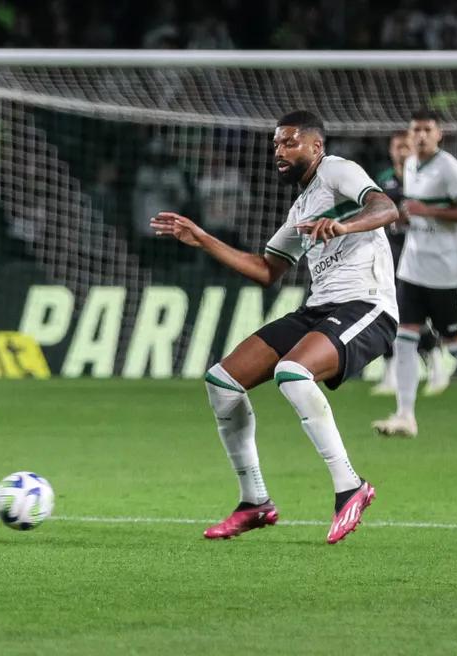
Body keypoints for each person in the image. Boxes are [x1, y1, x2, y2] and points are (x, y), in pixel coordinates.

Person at [150, 110, 399, 544]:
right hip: (320, 308)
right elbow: (267, 269)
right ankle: (255, 502)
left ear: (316, 147)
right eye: (276, 145)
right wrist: (203, 238)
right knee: (222, 381)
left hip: (367, 304)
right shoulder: (301, 207)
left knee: (293, 373)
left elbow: (386, 207)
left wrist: (343, 225)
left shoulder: (338, 171)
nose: (279, 152)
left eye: (290, 143)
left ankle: (350, 487)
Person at [372, 109, 457, 440]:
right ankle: (405, 415)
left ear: (439, 133)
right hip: (413, 268)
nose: (421, 135)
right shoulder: (412, 165)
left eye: (427, 129)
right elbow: (417, 213)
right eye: (416, 129)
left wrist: (427, 211)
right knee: (403, 339)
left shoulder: (450, 169)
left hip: (446, 272)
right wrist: (405, 219)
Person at [371, 130, 449, 397]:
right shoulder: (383, 180)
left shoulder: (427, 178)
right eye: (397, 147)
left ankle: (436, 366)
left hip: (422, 251)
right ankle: (391, 373)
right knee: (389, 310)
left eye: (405, 146)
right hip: (391, 254)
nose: (401, 151)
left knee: (419, 313)